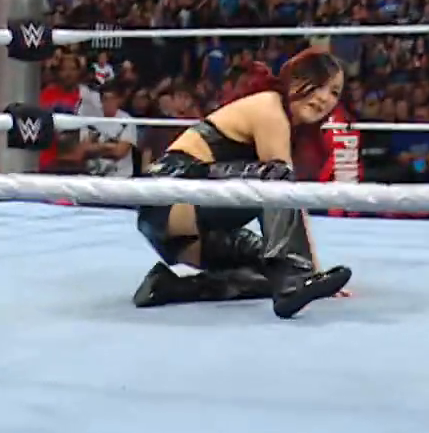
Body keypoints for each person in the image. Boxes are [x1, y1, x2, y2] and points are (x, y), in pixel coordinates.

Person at [132, 49, 352, 319]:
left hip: (180, 231)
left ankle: (168, 287)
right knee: (276, 177)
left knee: (269, 273)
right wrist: (308, 271)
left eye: (334, 92)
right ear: (294, 79)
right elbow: (284, 192)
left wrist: (314, 276)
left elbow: (288, 206)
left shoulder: (288, 126)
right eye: (317, 85)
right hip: (171, 194)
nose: (324, 98)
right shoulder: (270, 108)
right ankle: (295, 280)